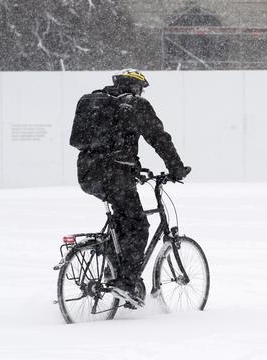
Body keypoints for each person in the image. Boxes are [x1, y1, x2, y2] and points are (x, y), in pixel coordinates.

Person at [75, 69, 190, 304]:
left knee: (123, 220)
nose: (142, 92)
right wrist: (176, 168)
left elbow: (106, 141)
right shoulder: (134, 105)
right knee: (138, 225)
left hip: (88, 173)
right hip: (114, 174)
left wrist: (134, 168)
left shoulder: (96, 102)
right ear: (135, 87)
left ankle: (112, 269)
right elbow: (159, 138)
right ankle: (126, 283)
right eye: (141, 88)